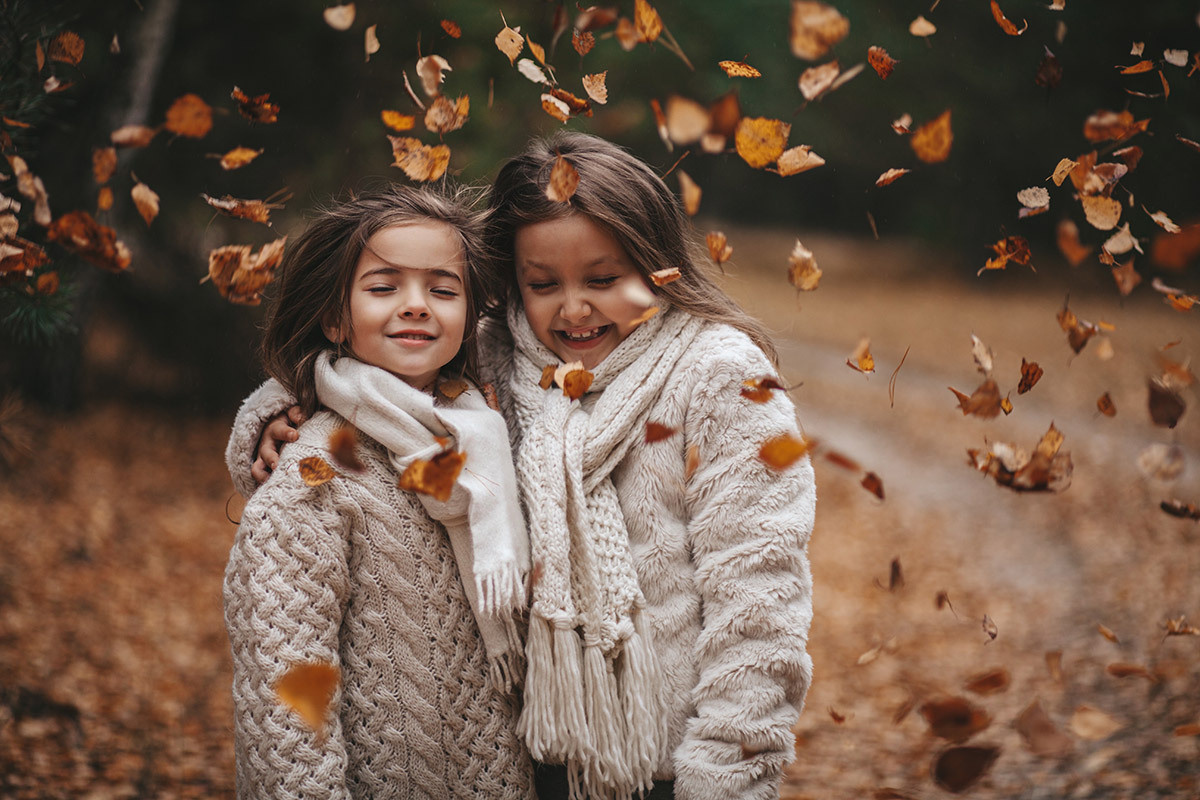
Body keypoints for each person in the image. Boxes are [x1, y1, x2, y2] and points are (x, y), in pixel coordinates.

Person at [237, 132, 815, 800]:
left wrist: (725, 781)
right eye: (543, 284)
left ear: (660, 268)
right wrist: (271, 413)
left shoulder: (721, 376)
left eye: (603, 280)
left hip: (667, 769)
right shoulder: (499, 352)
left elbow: (760, 606)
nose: (573, 309)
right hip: (520, 762)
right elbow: (381, 366)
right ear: (513, 283)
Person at [222, 184, 535, 799]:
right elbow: (285, 690)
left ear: (471, 317)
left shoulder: (482, 431)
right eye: (384, 286)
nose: (417, 305)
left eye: (442, 290)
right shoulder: (317, 476)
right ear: (336, 318)